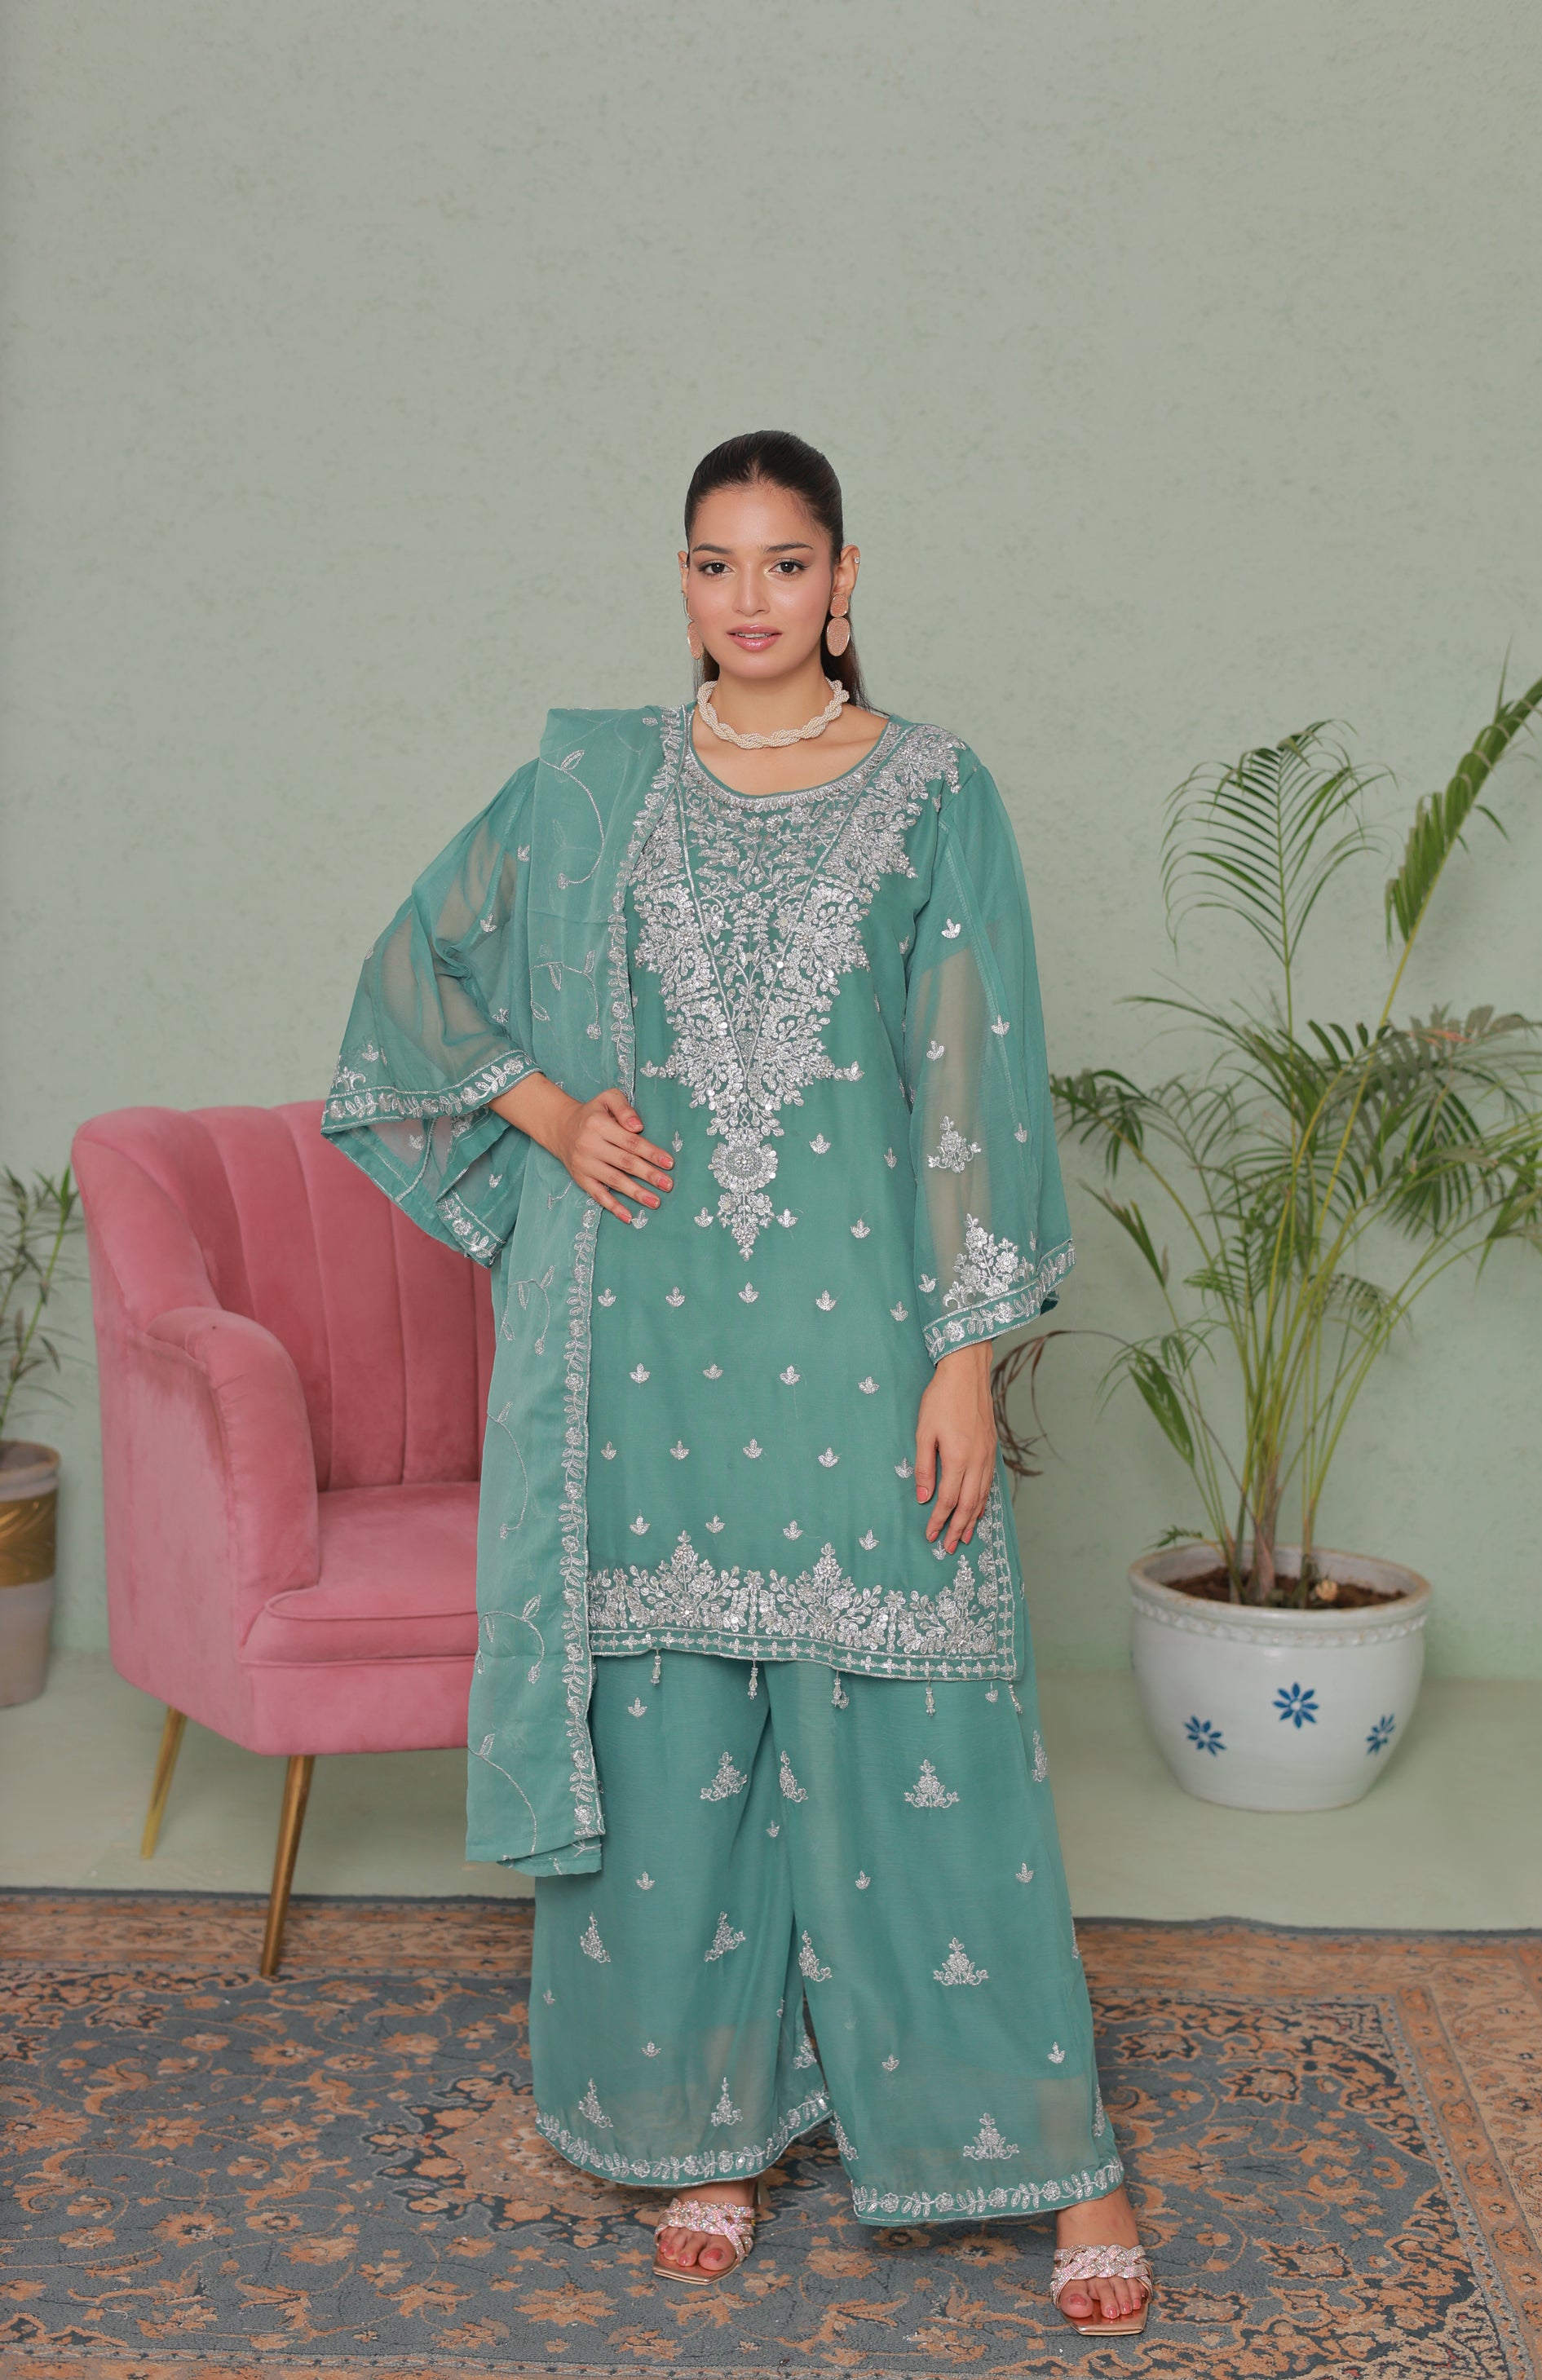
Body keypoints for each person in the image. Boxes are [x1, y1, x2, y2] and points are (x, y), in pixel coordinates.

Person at [321, 430, 1151, 2337]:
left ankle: (1064, 2155)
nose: (750, 597)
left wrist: (965, 1356)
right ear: (682, 583)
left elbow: (973, 1077)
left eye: (785, 562)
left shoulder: (936, 790)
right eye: (715, 563)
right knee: (673, 1743)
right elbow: (411, 978)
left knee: (929, 1730)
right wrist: (550, 1112)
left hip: (866, 1341)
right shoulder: (595, 785)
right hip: (647, 1347)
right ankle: (708, 2123)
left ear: (844, 583)